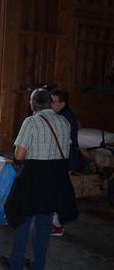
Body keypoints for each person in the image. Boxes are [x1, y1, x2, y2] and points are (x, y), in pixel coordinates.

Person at [1, 88, 78, 270]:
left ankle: (16, 263)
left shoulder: (31, 121)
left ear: (33, 103)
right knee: (43, 225)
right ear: (50, 103)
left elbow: (19, 156)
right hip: (55, 179)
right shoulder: (64, 122)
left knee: (22, 220)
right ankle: (37, 265)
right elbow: (66, 151)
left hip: (33, 178)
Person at [50, 88, 80, 236]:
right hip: (65, 158)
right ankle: (56, 222)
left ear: (62, 103)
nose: (51, 104)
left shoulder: (64, 118)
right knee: (57, 191)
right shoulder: (63, 114)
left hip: (66, 159)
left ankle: (57, 225)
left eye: (54, 101)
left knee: (57, 192)